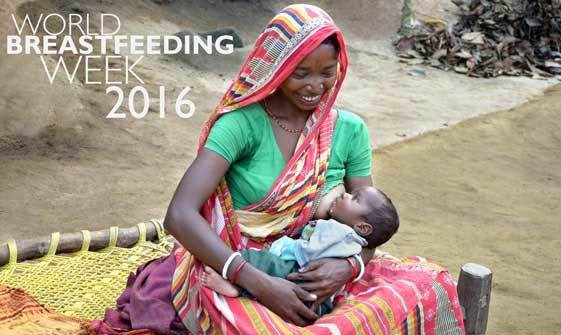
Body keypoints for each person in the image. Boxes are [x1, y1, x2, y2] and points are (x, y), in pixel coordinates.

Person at [98, 4, 465, 334]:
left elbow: (369, 225)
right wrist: (259, 282)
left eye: (327, 72)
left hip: (316, 268)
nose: (314, 86)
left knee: (428, 285)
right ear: (276, 67)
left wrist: (350, 266)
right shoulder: (241, 125)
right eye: (300, 73)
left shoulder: (350, 131)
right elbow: (179, 215)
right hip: (234, 266)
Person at [199, 186, 399, 317]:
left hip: (301, 270)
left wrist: (287, 246)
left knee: (259, 261)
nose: (344, 194)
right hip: (320, 295)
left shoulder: (338, 231)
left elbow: (307, 252)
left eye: (354, 198)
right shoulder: (355, 241)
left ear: (363, 227)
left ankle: (236, 289)